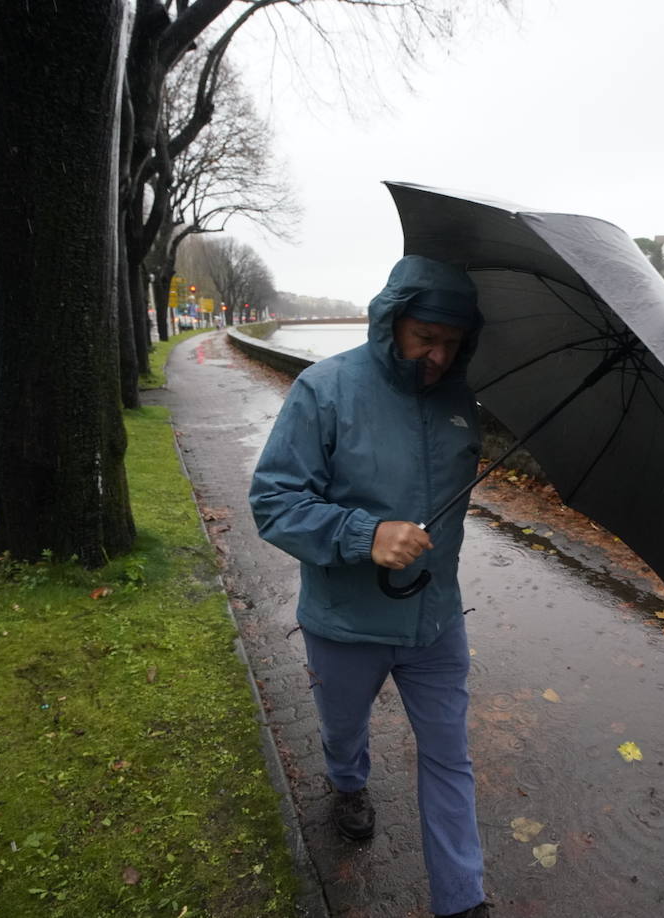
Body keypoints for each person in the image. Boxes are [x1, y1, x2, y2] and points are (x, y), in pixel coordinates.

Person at [250, 255, 490, 918]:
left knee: (449, 757)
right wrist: (366, 535)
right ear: (392, 323)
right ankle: (348, 785)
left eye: (453, 343)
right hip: (345, 623)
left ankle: (463, 902)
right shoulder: (324, 391)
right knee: (344, 732)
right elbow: (273, 502)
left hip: (436, 622)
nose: (439, 356)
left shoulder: (461, 403)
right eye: (426, 339)